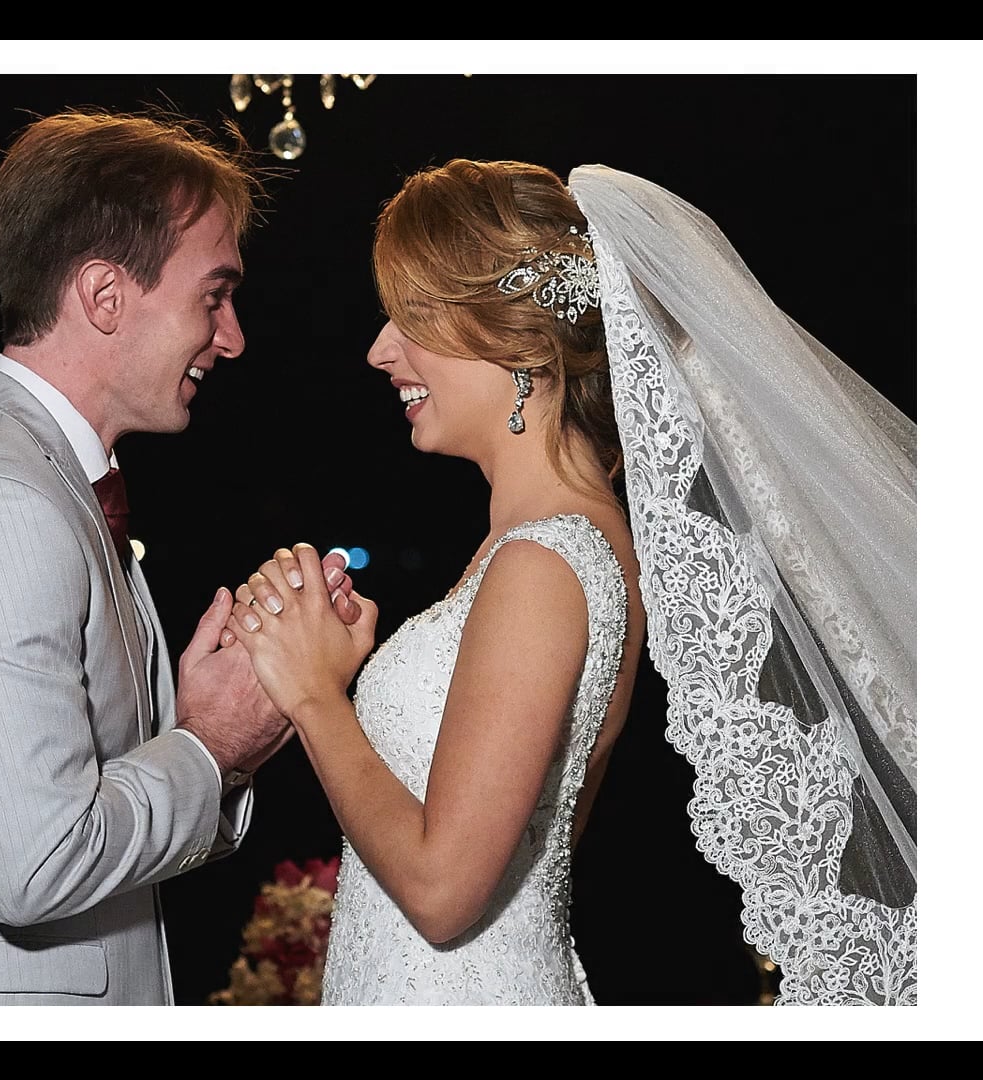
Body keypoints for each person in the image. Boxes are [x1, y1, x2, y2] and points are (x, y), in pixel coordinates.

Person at [224, 159, 917, 1005]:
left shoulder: (544, 563)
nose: (379, 350)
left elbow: (443, 894)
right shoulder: (560, 549)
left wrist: (314, 694)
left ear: (516, 343)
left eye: (410, 316)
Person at [0, 108, 360, 1006]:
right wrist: (212, 745)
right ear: (104, 296)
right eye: (214, 294)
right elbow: (38, 862)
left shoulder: (47, 487)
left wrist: (208, 720)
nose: (233, 336)